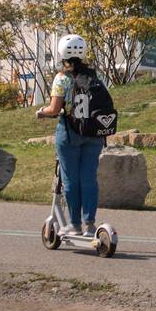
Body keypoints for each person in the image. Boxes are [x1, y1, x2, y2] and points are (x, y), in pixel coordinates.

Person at [35, 34, 105, 237]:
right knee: (89, 178)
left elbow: (55, 109)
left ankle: (74, 224)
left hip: (69, 133)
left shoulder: (62, 78)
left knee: (70, 179)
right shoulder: (94, 76)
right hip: (93, 133)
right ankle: (90, 224)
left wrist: (41, 112)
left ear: (62, 54)